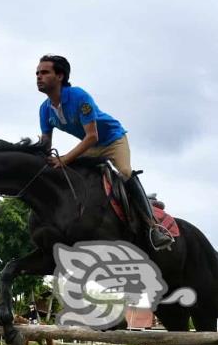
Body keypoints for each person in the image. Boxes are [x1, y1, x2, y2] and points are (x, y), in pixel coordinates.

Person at [36, 54, 173, 250]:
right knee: (63, 173)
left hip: (112, 140)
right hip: (90, 146)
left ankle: (154, 227)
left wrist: (65, 158)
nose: (39, 77)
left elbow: (92, 135)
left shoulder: (79, 97)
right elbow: (45, 144)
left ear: (60, 76)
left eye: (45, 72)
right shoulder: (44, 109)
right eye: (37, 73)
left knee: (125, 173)